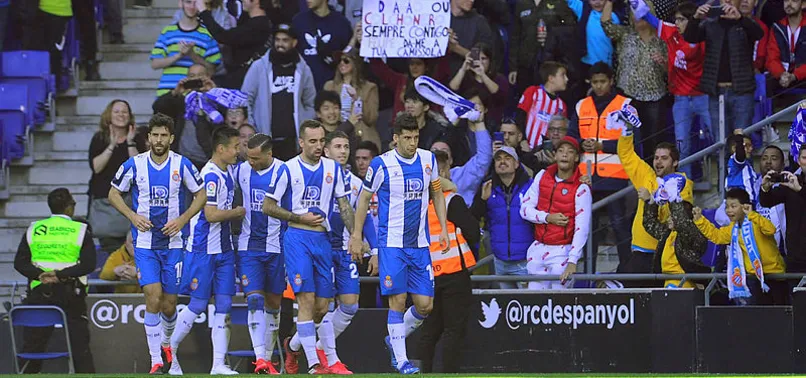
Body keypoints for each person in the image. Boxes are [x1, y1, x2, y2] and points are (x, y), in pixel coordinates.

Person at [349, 113, 450, 375]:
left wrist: (443, 229)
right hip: (391, 244)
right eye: (407, 138)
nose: (412, 143)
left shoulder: (428, 160)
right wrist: (357, 236)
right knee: (398, 301)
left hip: (419, 244)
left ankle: (393, 340)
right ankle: (402, 360)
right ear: (395, 139)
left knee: (425, 305)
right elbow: (363, 200)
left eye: (415, 137)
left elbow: (436, 192)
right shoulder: (381, 164)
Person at [107, 114, 207, 374]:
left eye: (164, 135)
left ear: (171, 138)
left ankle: (166, 346)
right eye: (155, 135)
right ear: (148, 138)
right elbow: (113, 193)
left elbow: (201, 194)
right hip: (145, 244)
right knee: (152, 296)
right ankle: (155, 361)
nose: (159, 140)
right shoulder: (134, 165)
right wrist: (132, 215)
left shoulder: (182, 165)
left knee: (169, 304)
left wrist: (183, 219)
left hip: (174, 243)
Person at [263, 120, 354, 375]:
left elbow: (344, 205)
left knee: (322, 307)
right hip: (297, 238)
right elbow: (268, 206)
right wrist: (297, 217)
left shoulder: (333, 169)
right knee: (306, 300)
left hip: (323, 240)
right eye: (312, 141)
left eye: (321, 141)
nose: (317, 146)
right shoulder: (288, 169)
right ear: (301, 142)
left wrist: (356, 234)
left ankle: (292, 347)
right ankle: (314, 364)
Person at [169, 127, 244, 375]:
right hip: (202, 249)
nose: (237, 151)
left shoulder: (228, 171)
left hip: (223, 249)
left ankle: (218, 364)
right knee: (198, 304)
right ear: (221, 149)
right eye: (234, 147)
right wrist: (237, 212)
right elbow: (210, 215)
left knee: (224, 304)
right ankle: (168, 350)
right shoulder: (210, 176)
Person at [314, 130, 379, 373]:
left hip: (343, 249)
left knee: (350, 305)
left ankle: (303, 344)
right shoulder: (315, 176)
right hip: (318, 248)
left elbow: (367, 220)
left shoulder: (355, 183)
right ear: (326, 150)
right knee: (323, 306)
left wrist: (374, 250)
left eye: (346, 147)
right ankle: (329, 358)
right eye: (338, 146)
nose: (343, 151)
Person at [13, 188, 96, 373]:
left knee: (33, 348)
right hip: (70, 295)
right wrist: (60, 275)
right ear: (69, 208)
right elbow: (89, 265)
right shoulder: (81, 231)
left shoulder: (34, 229)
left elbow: (19, 263)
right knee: (80, 349)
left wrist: (40, 275)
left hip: (39, 293)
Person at [612, 106, 695, 282]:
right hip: (639, 251)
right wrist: (627, 129)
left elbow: (674, 217)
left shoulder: (683, 183)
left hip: (665, 253)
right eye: (656, 157)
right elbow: (626, 155)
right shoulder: (646, 176)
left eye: (664, 158)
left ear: (675, 162)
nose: (658, 162)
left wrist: (652, 200)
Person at [417, 149, 480, 373]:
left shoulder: (417, 204)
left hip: (427, 275)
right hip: (454, 272)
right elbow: (473, 231)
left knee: (430, 330)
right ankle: (449, 374)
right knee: (454, 329)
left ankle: (424, 372)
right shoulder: (451, 199)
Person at [568, 62, 633, 268]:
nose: (598, 86)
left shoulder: (625, 105)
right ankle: (588, 275)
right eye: (595, 82)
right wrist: (581, 143)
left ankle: (628, 274)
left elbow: (632, 142)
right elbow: (571, 136)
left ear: (611, 81)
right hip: (587, 178)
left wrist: (601, 145)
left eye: (602, 81)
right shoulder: (581, 105)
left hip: (615, 178)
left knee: (619, 225)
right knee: (588, 228)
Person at [635, 0, 710, 178]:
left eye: (682, 20)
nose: (677, 23)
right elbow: (649, 18)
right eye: (676, 19)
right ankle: (685, 188)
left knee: (717, 138)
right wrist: (635, 4)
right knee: (682, 146)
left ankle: (724, 181)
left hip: (704, 97)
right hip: (681, 99)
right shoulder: (672, 32)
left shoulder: (705, 36)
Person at [230, 133, 284, 374]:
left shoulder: (285, 171)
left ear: (269, 154)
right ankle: (260, 358)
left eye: (255, 158)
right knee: (253, 299)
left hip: (278, 247)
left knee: (273, 303)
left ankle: (269, 357)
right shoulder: (240, 171)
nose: (250, 162)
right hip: (248, 246)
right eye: (248, 157)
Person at [520, 136, 592, 289]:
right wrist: (547, 218)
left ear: (577, 157)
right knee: (535, 306)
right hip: (538, 248)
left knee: (560, 306)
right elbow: (525, 209)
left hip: (562, 252)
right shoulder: (541, 176)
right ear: (555, 155)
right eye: (560, 151)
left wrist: (572, 261)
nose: (564, 154)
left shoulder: (582, 188)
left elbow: (582, 228)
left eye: (570, 151)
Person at [694, 188, 788, 305]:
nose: (729, 210)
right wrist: (700, 221)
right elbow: (717, 236)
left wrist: (752, 214)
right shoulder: (733, 228)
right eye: (727, 207)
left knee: (779, 315)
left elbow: (771, 229)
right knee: (756, 316)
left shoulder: (756, 221)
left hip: (774, 275)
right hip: (753, 279)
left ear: (745, 207)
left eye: (733, 206)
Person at [684, 0, 765, 133]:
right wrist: (695, 18)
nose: (727, 1)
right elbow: (690, 37)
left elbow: (759, 34)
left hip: (742, 91)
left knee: (741, 140)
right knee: (720, 141)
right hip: (716, 92)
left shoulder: (745, 23)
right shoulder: (710, 24)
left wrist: (740, 18)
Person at [603, 0, 669, 155]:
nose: (637, 17)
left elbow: (671, 71)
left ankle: (651, 176)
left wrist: (663, 63)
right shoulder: (624, 34)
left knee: (653, 142)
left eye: (640, 12)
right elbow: (606, 24)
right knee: (626, 140)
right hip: (627, 96)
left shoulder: (662, 39)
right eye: (633, 13)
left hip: (655, 97)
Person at [241, 23, 317, 160]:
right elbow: (245, 98)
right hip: (264, 141)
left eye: (285, 40)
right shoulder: (259, 66)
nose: (280, 44)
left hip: (292, 142)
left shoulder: (303, 69)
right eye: (277, 40)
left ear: (294, 42)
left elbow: (310, 102)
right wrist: (253, 127)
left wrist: (304, 129)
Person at [471, 146, 533, 289]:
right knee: (505, 308)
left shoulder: (531, 186)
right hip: (500, 261)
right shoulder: (487, 186)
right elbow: (473, 216)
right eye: (498, 159)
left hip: (525, 261)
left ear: (517, 164)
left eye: (507, 158)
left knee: (526, 306)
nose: (502, 162)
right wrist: (482, 200)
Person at [88, 100, 139, 254]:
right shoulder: (99, 138)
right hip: (105, 200)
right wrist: (111, 145)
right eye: (116, 111)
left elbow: (139, 169)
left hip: (129, 198)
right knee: (109, 246)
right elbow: (96, 167)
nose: (121, 115)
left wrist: (130, 142)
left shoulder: (138, 137)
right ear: (109, 115)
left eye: (124, 112)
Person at [638, 184, 709, 289]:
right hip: (666, 282)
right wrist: (651, 202)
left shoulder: (691, 236)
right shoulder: (667, 234)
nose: (669, 219)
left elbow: (681, 222)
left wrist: (673, 196)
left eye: (673, 216)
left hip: (684, 283)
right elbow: (650, 224)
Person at [195, 0, 272, 89]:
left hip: (246, 80)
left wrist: (204, 12)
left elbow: (223, 37)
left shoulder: (258, 25)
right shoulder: (252, 21)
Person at [150, 0, 221, 96]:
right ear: (180, 3)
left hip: (195, 95)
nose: (192, 7)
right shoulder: (168, 32)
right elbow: (155, 64)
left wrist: (192, 54)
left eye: (195, 3)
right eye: (188, 2)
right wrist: (179, 55)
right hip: (167, 93)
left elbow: (212, 69)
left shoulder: (207, 34)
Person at [152, 63, 216, 164]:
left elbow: (227, 117)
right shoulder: (180, 101)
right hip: (183, 160)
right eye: (192, 76)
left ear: (208, 77)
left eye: (200, 75)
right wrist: (175, 92)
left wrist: (215, 92)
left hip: (209, 160)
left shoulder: (215, 99)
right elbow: (158, 107)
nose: (196, 78)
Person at [430, 102, 492, 202]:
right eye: (435, 151)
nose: (439, 152)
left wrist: (479, 123)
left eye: (444, 152)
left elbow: (483, 158)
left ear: (451, 160)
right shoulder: (420, 180)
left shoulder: (461, 176)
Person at [759, 145, 806, 273]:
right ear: (798, 160)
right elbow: (766, 202)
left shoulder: (796, 186)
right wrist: (766, 188)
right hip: (795, 256)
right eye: (804, 158)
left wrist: (800, 190)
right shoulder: (792, 181)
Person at [324, 49, 382, 149]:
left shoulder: (369, 87)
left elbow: (371, 118)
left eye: (346, 61)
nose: (342, 63)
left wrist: (357, 100)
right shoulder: (329, 86)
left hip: (360, 135)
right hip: (337, 133)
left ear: (356, 63)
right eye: (339, 61)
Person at [292, 0, 353, 89]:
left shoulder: (341, 23)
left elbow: (348, 55)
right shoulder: (298, 21)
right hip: (303, 86)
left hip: (332, 87)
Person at [449, 42, 509, 124]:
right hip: (465, 123)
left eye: (484, 59)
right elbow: (451, 90)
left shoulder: (499, 79)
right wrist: (463, 69)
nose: (480, 62)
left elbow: (499, 95)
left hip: (492, 123)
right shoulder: (465, 77)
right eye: (477, 58)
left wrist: (482, 75)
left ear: (490, 60)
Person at [516, 61, 569, 149]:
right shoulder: (533, 92)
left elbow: (562, 132)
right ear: (551, 78)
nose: (567, 79)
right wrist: (523, 140)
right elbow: (520, 116)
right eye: (563, 75)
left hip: (547, 153)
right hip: (526, 148)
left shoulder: (562, 105)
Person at [447, 0, 495, 74]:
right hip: (438, 75)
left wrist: (455, 48)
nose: (472, 0)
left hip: (469, 78)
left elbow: (484, 60)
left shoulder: (479, 22)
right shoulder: (436, 19)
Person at [767, 0, 806, 88]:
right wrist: (781, 74)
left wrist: (794, 76)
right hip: (781, 81)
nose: (789, 4)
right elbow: (772, 58)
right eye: (786, 0)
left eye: (794, 1)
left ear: (803, 4)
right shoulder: (777, 28)